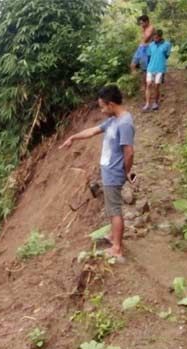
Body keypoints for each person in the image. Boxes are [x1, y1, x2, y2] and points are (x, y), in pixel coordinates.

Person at [58, 85, 135, 260]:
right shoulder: (114, 120)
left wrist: (125, 172)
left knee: (115, 209)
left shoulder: (124, 124)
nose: (101, 110)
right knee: (111, 207)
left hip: (115, 173)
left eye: (102, 106)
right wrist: (73, 137)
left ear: (111, 104)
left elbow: (129, 152)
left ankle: (117, 248)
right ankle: (113, 237)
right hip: (110, 171)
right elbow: (93, 131)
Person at [144, 30, 172, 111]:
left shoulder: (167, 44)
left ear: (160, 36)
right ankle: (147, 103)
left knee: (156, 86)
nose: (155, 38)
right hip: (150, 68)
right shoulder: (151, 45)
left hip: (160, 68)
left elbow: (167, 55)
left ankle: (155, 103)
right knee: (148, 85)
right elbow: (149, 56)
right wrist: (148, 67)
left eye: (156, 37)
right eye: (154, 37)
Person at [131, 15, 155, 87]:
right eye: (140, 23)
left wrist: (144, 30)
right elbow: (143, 40)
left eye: (142, 23)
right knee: (132, 65)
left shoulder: (151, 28)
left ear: (147, 22)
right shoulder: (144, 28)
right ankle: (135, 80)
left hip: (147, 49)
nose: (141, 25)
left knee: (145, 69)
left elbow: (146, 39)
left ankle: (147, 86)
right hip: (141, 48)